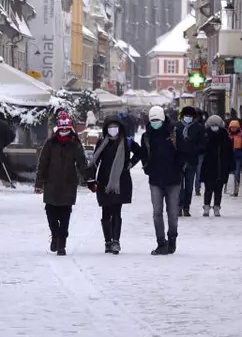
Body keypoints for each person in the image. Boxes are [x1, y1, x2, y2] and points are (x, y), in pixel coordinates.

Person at [34, 111, 89, 256]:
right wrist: (39, 183)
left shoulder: (75, 144)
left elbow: (82, 163)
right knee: (50, 212)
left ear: (70, 128)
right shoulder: (50, 144)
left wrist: (89, 179)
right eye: (62, 128)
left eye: (66, 128)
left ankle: (62, 244)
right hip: (51, 184)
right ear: (58, 128)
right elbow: (43, 163)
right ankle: (55, 235)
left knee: (65, 215)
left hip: (68, 185)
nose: (64, 131)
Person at [87, 116, 141, 254]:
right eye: (110, 127)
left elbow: (141, 153)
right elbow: (95, 161)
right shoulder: (102, 143)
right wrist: (91, 179)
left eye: (115, 127)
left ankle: (116, 241)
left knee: (117, 211)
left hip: (120, 182)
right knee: (106, 211)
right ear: (106, 129)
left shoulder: (127, 142)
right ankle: (107, 242)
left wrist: (131, 163)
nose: (113, 130)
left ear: (120, 128)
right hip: (104, 181)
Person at [139, 106, 182, 255]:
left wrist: (179, 168)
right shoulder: (147, 136)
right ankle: (161, 242)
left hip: (173, 179)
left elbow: (182, 153)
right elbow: (144, 154)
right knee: (157, 212)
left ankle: (172, 238)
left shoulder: (174, 133)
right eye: (152, 121)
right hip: (155, 179)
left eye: (157, 120)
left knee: (172, 212)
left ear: (163, 119)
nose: (155, 123)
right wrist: (146, 167)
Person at [199, 115, 233, 217]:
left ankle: (216, 207)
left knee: (218, 189)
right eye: (212, 125)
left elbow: (230, 152)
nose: (214, 127)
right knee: (209, 189)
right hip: (210, 167)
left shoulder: (225, 137)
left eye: (216, 125)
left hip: (220, 167)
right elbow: (201, 150)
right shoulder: (205, 136)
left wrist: (231, 166)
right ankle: (207, 206)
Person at [175, 106, 205, 217]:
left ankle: (186, 207)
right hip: (179, 161)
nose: (188, 117)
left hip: (192, 161)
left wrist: (194, 149)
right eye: (186, 115)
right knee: (179, 185)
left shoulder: (199, 128)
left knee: (189, 186)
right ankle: (178, 206)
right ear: (182, 116)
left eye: (190, 116)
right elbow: (173, 143)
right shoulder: (177, 127)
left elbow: (203, 144)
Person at [226, 120, 242, 196]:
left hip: (238, 156)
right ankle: (226, 188)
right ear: (230, 128)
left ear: (238, 128)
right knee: (227, 173)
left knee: (237, 173)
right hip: (229, 156)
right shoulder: (227, 137)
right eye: (232, 127)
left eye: (235, 127)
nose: (233, 129)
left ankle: (236, 190)